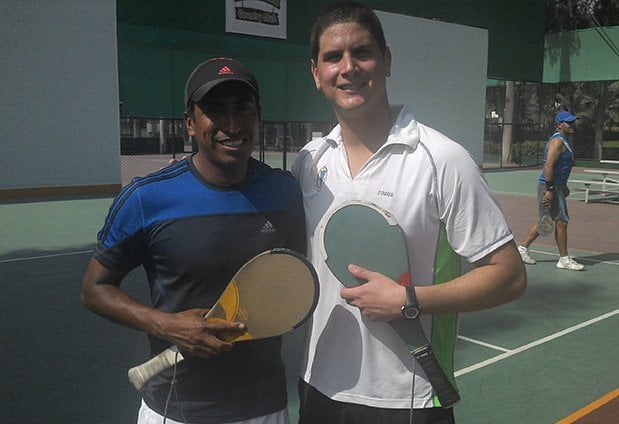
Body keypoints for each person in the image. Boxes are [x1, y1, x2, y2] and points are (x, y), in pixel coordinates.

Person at [291, 2, 527, 423]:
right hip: (319, 389)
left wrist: (408, 301)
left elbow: (509, 275)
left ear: (386, 61)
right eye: (332, 57)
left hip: (409, 401)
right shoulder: (309, 163)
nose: (348, 67)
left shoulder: (443, 160)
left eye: (361, 52)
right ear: (316, 73)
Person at [81, 57, 305, 424]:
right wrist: (165, 324)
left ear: (258, 117)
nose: (232, 124)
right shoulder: (145, 198)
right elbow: (94, 289)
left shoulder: (285, 193)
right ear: (190, 123)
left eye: (243, 109)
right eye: (215, 111)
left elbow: (292, 279)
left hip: (264, 406)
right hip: (175, 408)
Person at [517, 111, 585, 271]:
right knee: (561, 221)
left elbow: (559, 167)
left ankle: (522, 249)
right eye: (568, 123)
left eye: (573, 122)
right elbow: (548, 166)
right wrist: (550, 189)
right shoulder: (557, 142)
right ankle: (563, 259)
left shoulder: (564, 141)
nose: (572, 125)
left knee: (545, 219)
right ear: (559, 125)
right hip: (550, 186)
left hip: (556, 186)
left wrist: (563, 187)